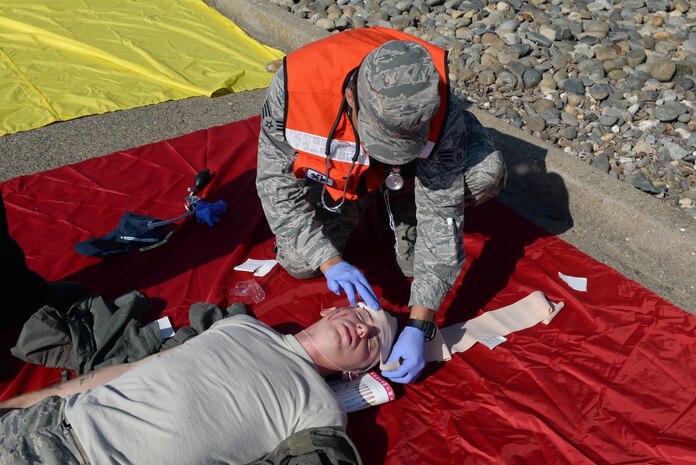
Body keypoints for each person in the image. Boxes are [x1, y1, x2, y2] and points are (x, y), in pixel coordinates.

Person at [256, 27, 506, 384]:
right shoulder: (295, 88)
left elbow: (443, 211)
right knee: (299, 261)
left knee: (484, 174)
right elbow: (276, 187)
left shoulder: (438, 106)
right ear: (350, 97)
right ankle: (374, 195)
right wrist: (329, 261)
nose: (360, 331)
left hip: (407, 174)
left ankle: (405, 205)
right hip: (347, 176)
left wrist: (421, 324)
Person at [0, 303, 397, 465]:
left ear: (357, 372)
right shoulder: (239, 324)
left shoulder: (322, 411)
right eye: (362, 314)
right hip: (51, 419)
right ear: (332, 309)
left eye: (373, 339)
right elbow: (132, 369)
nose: (361, 329)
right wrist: (19, 406)